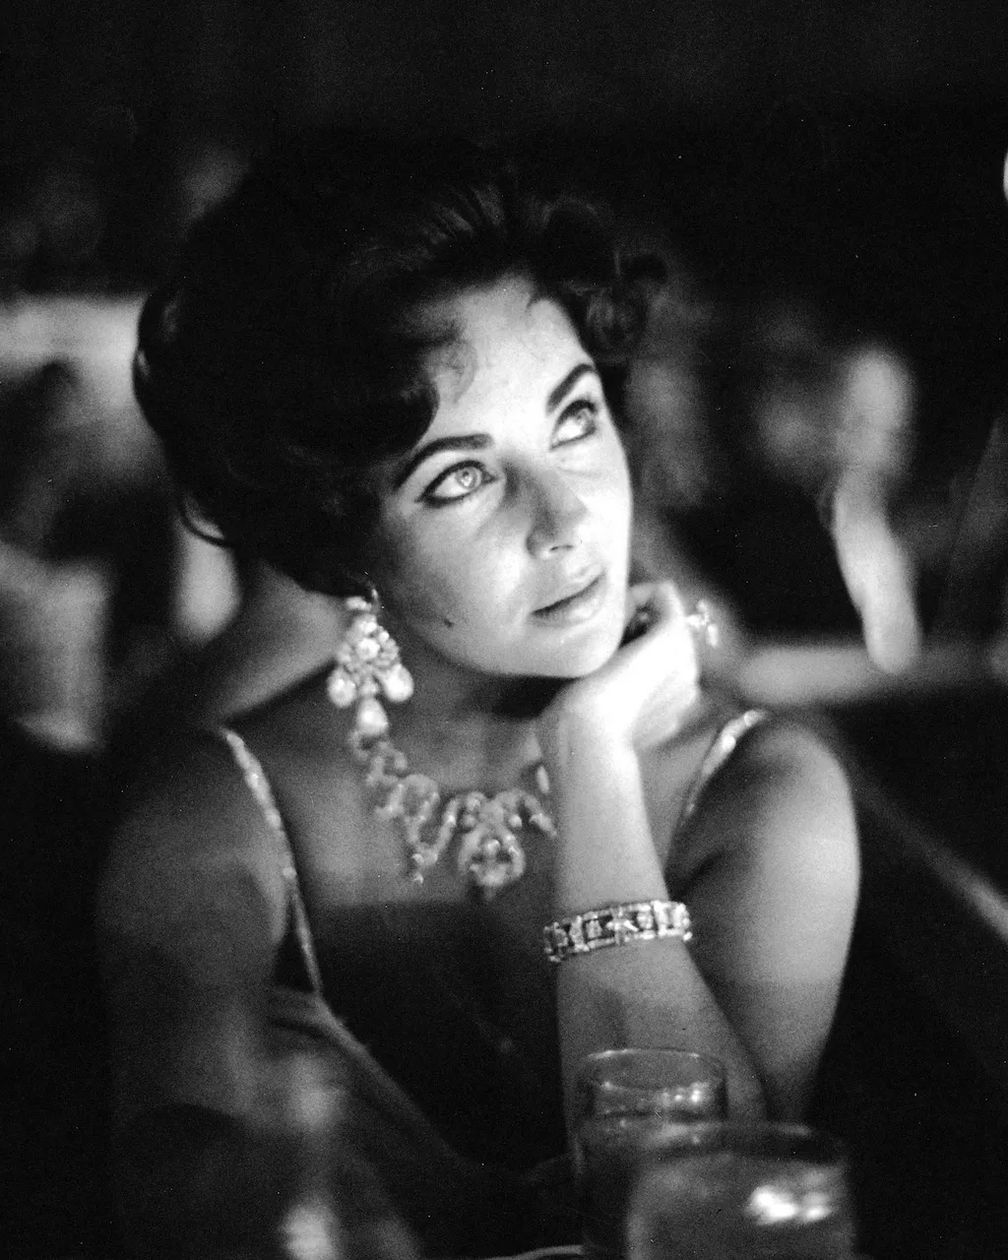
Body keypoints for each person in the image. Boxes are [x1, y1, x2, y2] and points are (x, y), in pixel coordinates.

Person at [96, 130, 859, 1258]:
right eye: (461, 476)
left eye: (575, 419)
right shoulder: (217, 814)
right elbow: (180, 1216)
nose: (567, 519)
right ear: (341, 544)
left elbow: (705, 1226)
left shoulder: (765, 791)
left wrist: (592, 760)